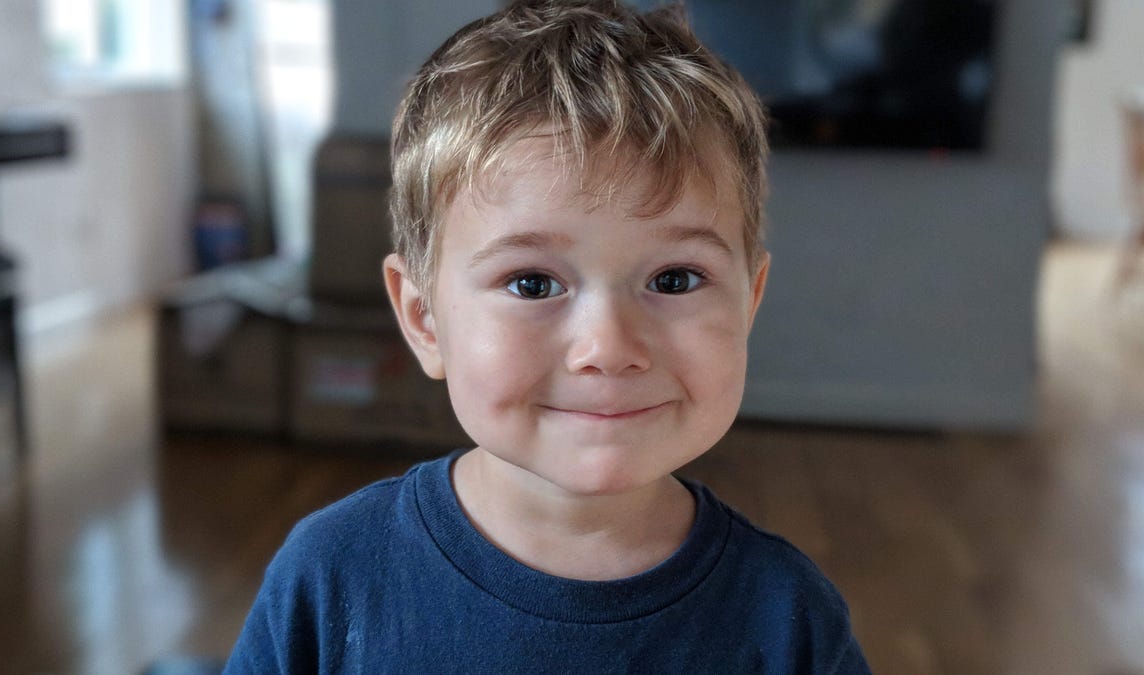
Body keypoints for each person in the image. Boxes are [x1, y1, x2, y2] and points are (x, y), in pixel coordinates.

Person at [225, 1, 870, 672]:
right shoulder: (331, 577)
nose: (609, 346)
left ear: (749, 303)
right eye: (532, 283)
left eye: (675, 279)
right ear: (424, 320)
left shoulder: (790, 618)